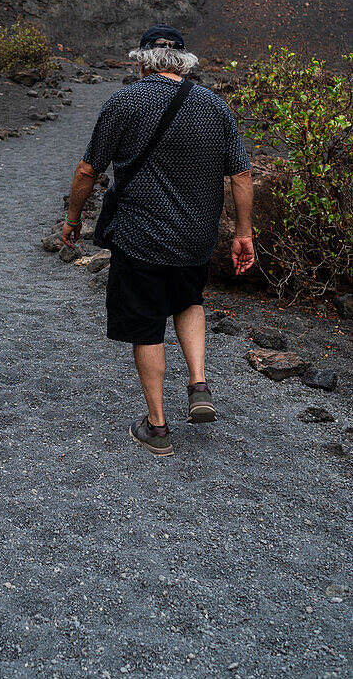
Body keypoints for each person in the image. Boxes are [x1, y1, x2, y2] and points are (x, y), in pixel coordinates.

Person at [62, 24, 254, 457]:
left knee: (147, 325)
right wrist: (243, 233)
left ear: (143, 59)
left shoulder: (125, 100)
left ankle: (157, 426)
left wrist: (73, 220)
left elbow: (87, 171)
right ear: (184, 62)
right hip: (195, 239)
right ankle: (199, 384)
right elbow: (241, 173)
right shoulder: (213, 106)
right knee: (189, 302)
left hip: (140, 238)